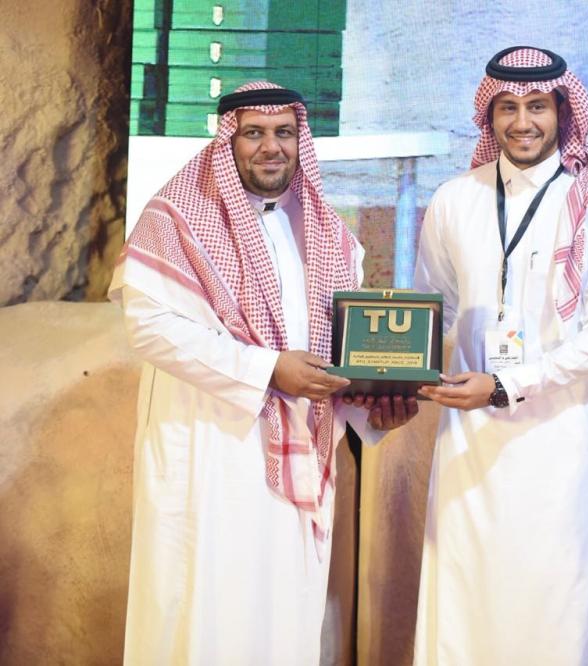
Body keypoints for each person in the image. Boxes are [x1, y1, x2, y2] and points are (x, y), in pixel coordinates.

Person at [109, 81, 416, 664]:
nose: (271, 146)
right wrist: (269, 369)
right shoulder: (175, 221)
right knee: (206, 610)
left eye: (284, 132)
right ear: (228, 141)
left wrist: (373, 410)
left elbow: (336, 354)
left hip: (296, 459)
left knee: (281, 614)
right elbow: (150, 329)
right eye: (253, 133)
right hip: (210, 452)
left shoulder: (331, 238)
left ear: (301, 140)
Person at [411, 47, 588, 664]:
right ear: (489, 115)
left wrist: (505, 386)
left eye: (537, 106)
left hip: (566, 445)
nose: (522, 122)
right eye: (507, 107)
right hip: (472, 443)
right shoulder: (454, 199)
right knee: (468, 605)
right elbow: (436, 312)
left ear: (563, 111)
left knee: (560, 608)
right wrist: (394, 375)